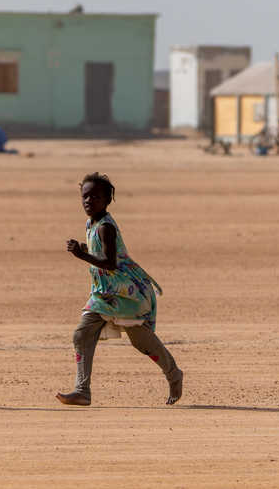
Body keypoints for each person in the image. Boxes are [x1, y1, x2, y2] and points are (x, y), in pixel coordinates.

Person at [55, 172, 183, 406]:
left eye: (95, 196)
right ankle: (82, 391)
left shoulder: (105, 227)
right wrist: (88, 252)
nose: (88, 201)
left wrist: (83, 255)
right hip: (105, 292)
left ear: (107, 200)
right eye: (85, 196)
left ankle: (174, 374)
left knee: (141, 341)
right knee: (82, 333)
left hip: (125, 293)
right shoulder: (91, 223)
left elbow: (111, 263)